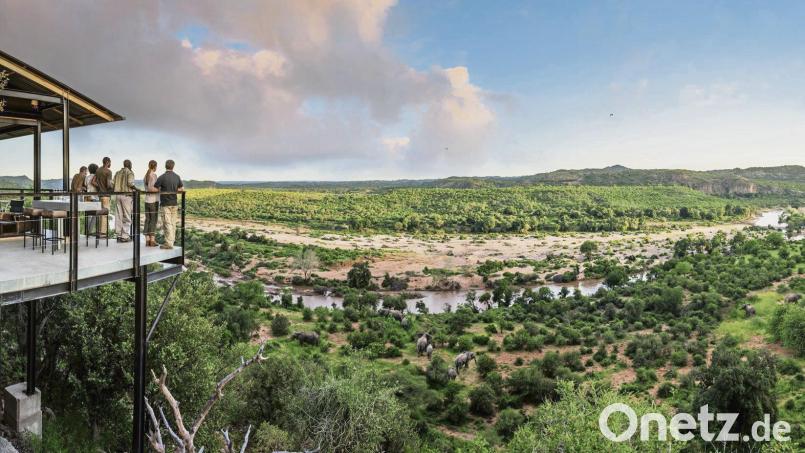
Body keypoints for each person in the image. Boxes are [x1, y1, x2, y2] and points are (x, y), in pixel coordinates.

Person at [154, 159, 183, 250]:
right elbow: (181, 189)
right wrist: (174, 190)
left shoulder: (162, 177)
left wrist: (161, 190)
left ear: (165, 166)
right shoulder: (177, 177)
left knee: (167, 223)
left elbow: (155, 189)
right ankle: (171, 242)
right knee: (173, 223)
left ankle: (169, 243)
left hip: (165, 203)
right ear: (173, 166)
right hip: (174, 203)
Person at [112, 159, 136, 242]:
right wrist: (136, 189)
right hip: (126, 196)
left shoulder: (117, 173)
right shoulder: (129, 172)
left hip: (118, 195)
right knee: (127, 216)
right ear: (129, 165)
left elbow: (112, 183)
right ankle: (125, 236)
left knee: (119, 215)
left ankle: (118, 235)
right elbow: (130, 183)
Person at [94, 157, 113, 235]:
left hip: (100, 195)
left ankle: (99, 231)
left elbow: (93, 182)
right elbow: (108, 185)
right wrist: (113, 187)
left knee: (100, 213)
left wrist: (99, 187)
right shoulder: (108, 171)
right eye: (110, 162)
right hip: (106, 195)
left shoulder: (98, 170)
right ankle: (103, 233)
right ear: (108, 162)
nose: (110, 164)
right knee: (105, 214)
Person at [143, 160, 159, 247]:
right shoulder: (153, 175)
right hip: (153, 200)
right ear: (155, 166)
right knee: (153, 220)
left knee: (147, 219)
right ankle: (152, 240)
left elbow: (147, 188)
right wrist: (159, 189)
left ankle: (147, 240)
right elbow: (151, 188)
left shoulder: (145, 176)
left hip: (147, 200)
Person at [84, 163, 99, 233]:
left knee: (88, 215)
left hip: (87, 197)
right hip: (95, 197)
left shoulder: (87, 177)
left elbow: (85, 185)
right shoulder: (96, 177)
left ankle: (87, 232)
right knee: (95, 215)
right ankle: (89, 231)